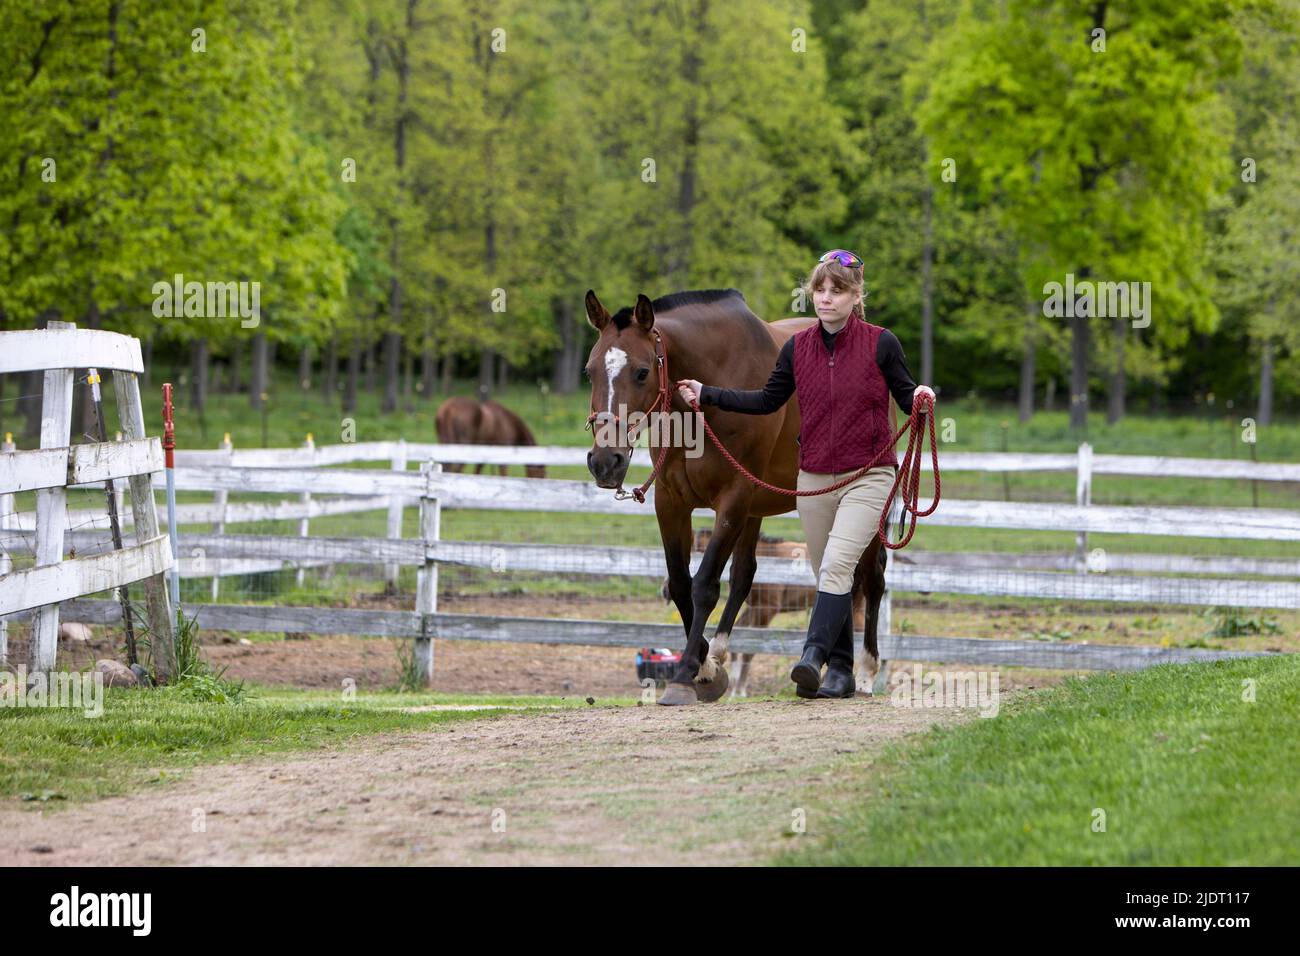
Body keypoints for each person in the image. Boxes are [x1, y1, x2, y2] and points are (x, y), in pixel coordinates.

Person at [676, 249, 935, 699]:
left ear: (856, 296)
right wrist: (708, 394)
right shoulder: (799, 348)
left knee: (837, 566)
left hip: (868, 475)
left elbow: (906, 393)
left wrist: (921, 398)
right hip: (813, 479)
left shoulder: (881, 343)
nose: (826, 298)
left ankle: (810, 656)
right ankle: (840, 672)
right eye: (820, 289)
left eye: (837, 290)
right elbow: (766, 400)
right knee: (827, 576)